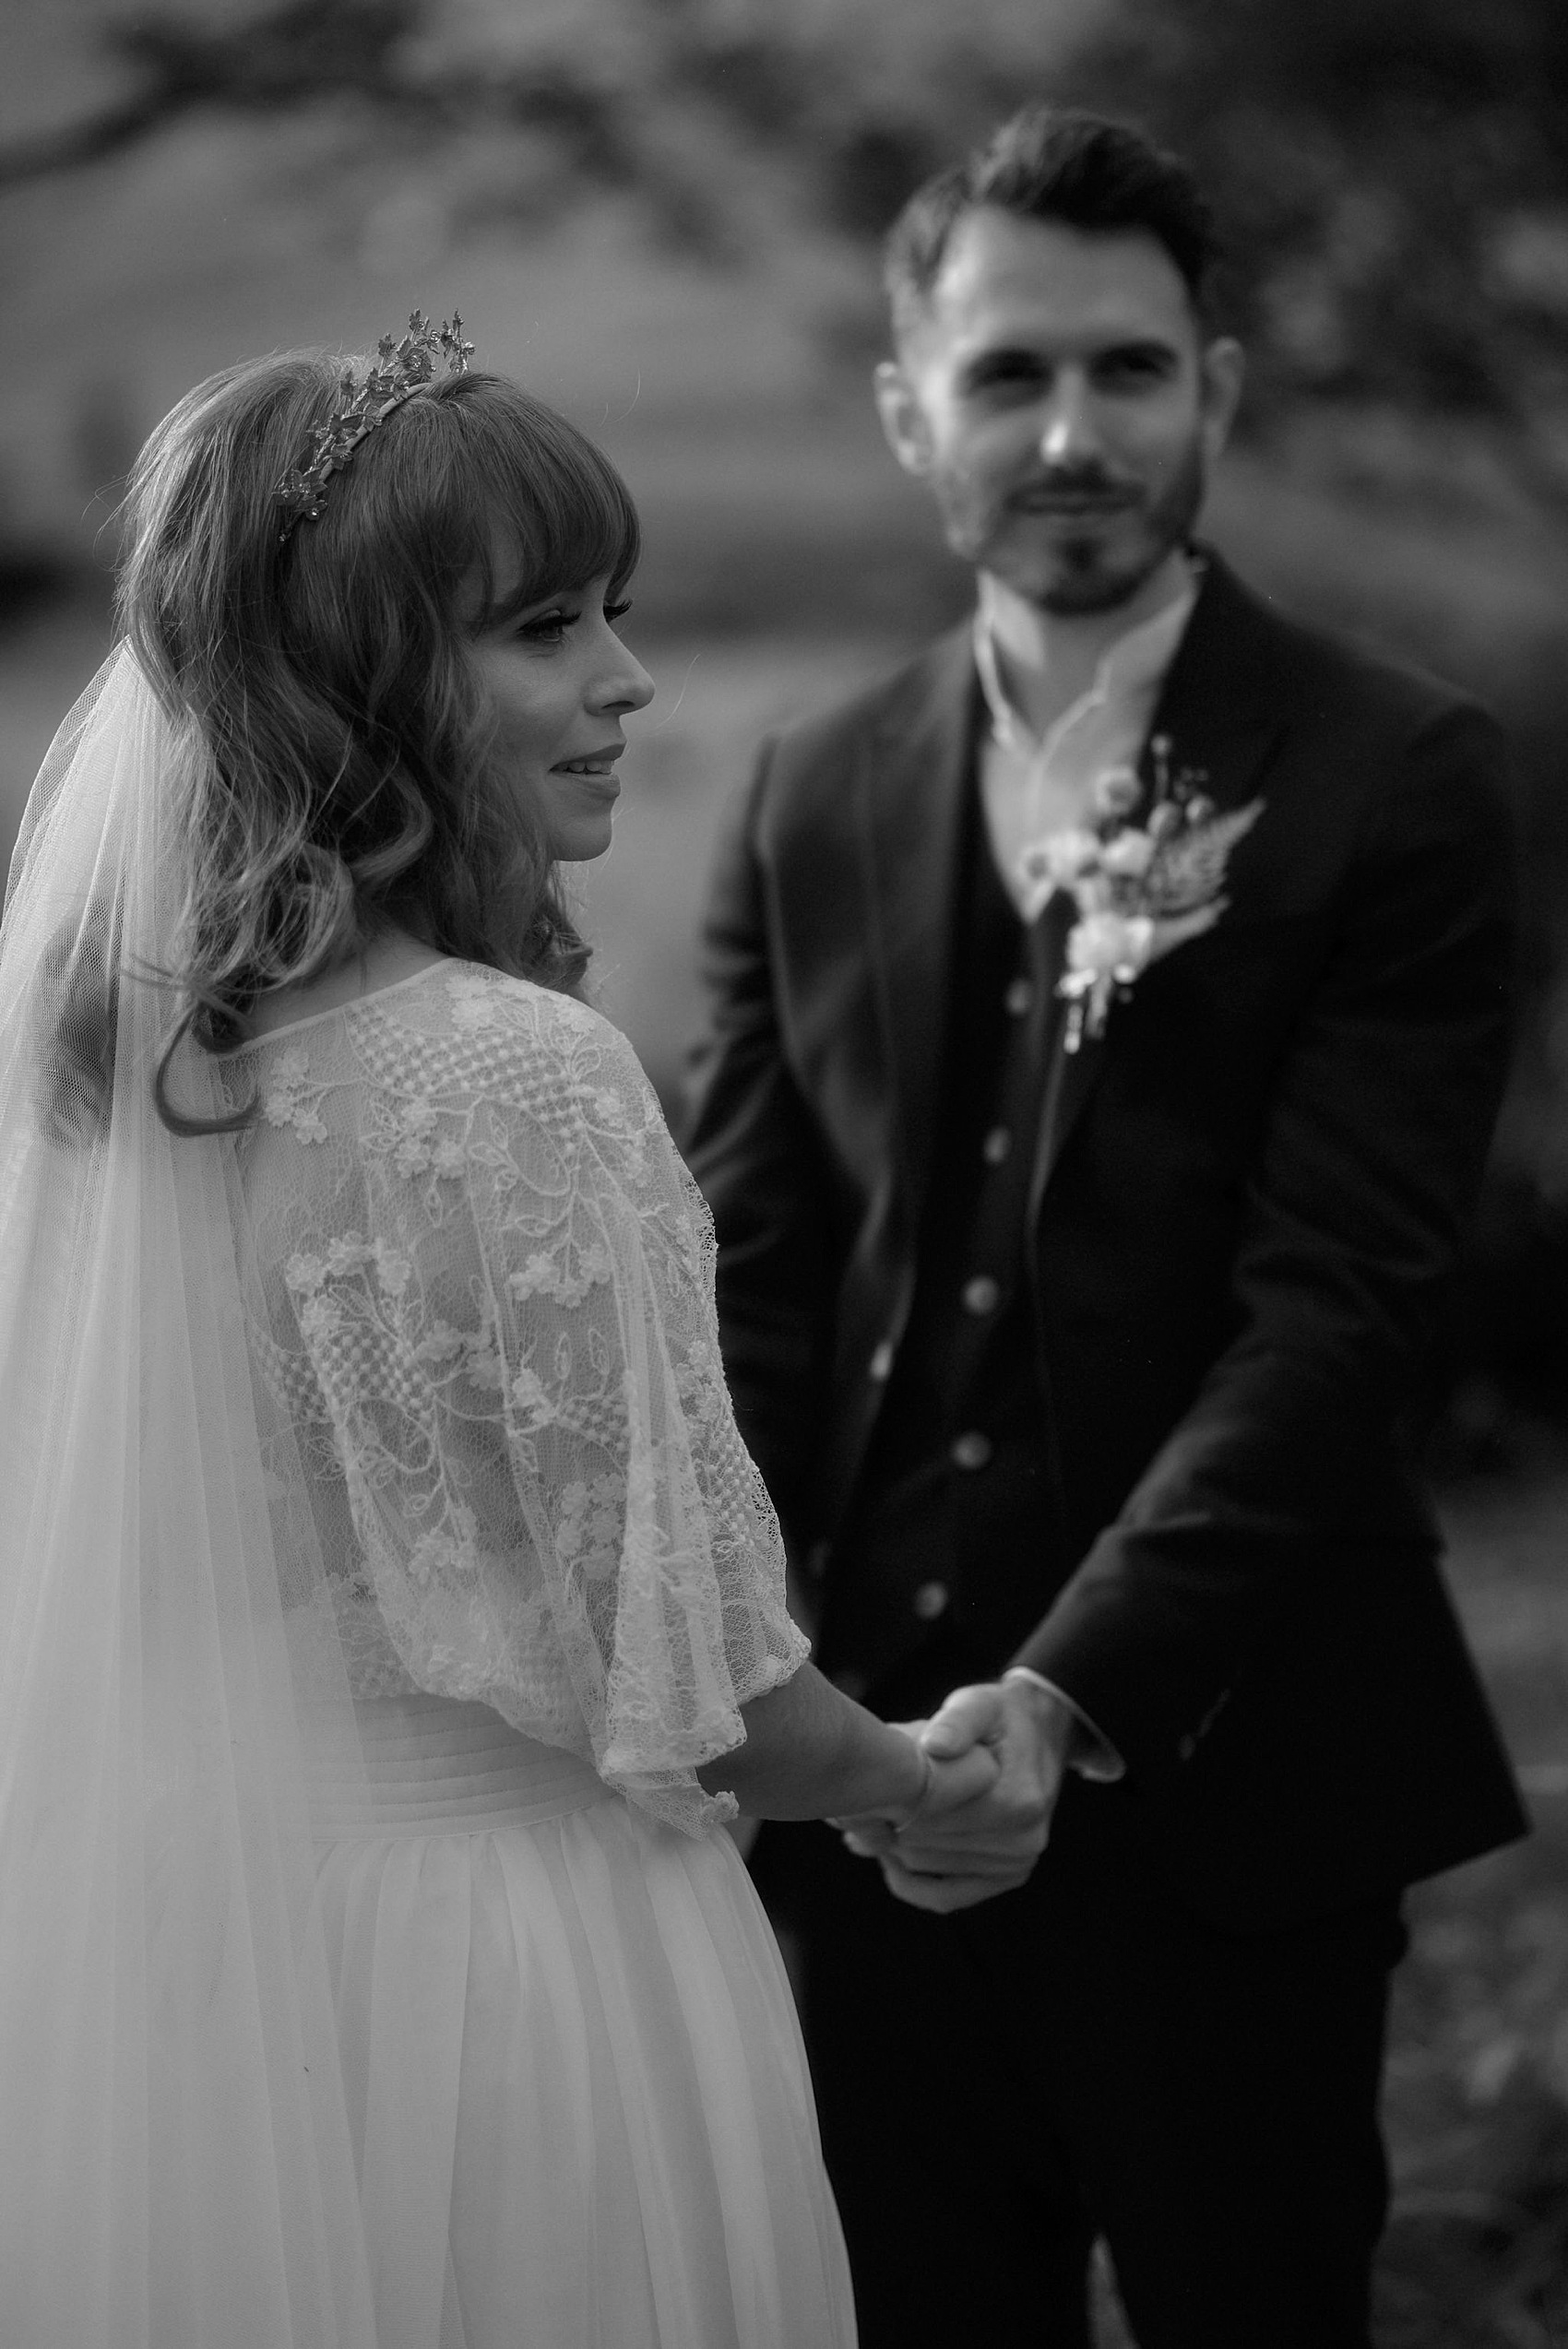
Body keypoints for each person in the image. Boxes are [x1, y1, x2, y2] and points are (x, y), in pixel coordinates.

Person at [0, 318, 1002, 2348]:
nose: (625, 680)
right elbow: (706, 1686)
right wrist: (913, 1777)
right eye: (542, 627)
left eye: (613, 615)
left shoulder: (98, 1083)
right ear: (364, 677)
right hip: (506, 1983)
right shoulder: (509, 1078)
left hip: (208, 1987)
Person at [685, 108, 1529, 2349]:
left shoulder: (1396, 772)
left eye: (1130, 370)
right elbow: (745, 1285)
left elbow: (1333, 1305)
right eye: (1006, 374)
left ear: (1218, 394)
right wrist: (765, 1690)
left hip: (1233, 1794)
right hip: (851, 1816)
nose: (1072, 432)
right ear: (905, 412)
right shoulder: (802, 791)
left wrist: (1060, 1702)